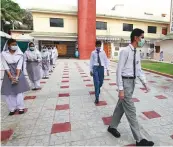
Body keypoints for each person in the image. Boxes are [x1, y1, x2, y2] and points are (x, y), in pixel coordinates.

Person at [107, 28, 154, 146]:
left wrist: (145, 83)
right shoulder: (125, 51)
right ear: (136, 38)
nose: (143, 40)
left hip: (132, 83)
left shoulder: (137, 52)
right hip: (125, 82)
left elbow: (138, 70)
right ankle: (139, 139)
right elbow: (119, 71)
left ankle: (112, 127)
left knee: (120, 107)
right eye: (142, 37)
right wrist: (121, 89)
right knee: (131, 111)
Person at [1, 39, 30, 115]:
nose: (15, 46)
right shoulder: (3, 54)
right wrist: (10, 76)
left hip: (18, 72)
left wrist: (17, 76)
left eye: (15, 44)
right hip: (8, 74)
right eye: (13, 44)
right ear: (8, 45)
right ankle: (12, 108)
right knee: (9, 92)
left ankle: (21, 107)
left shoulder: (20, 54)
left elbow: (19, 66)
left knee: (19, 91)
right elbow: (5, 66)